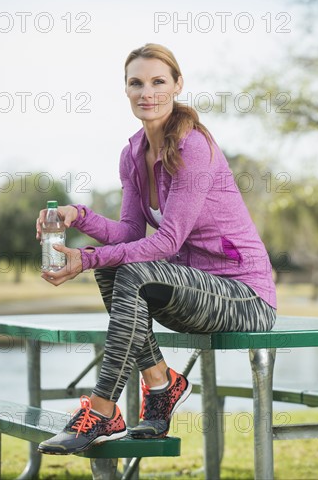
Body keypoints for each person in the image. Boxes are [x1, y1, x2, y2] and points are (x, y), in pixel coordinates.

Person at [36, 43, 277, 455]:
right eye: (136, 83)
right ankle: (162, 383)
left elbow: (166, 242)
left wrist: (85, 258)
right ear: (126, 90)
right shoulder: (132, 154)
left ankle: (102, 407)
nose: (147, 92)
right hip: (193, 290)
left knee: (125, 268)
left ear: (178, 85)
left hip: (245, 297)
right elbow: (131, 232)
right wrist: (79, 215)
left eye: (158, 82)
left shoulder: (193, 146)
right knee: (114, 269)